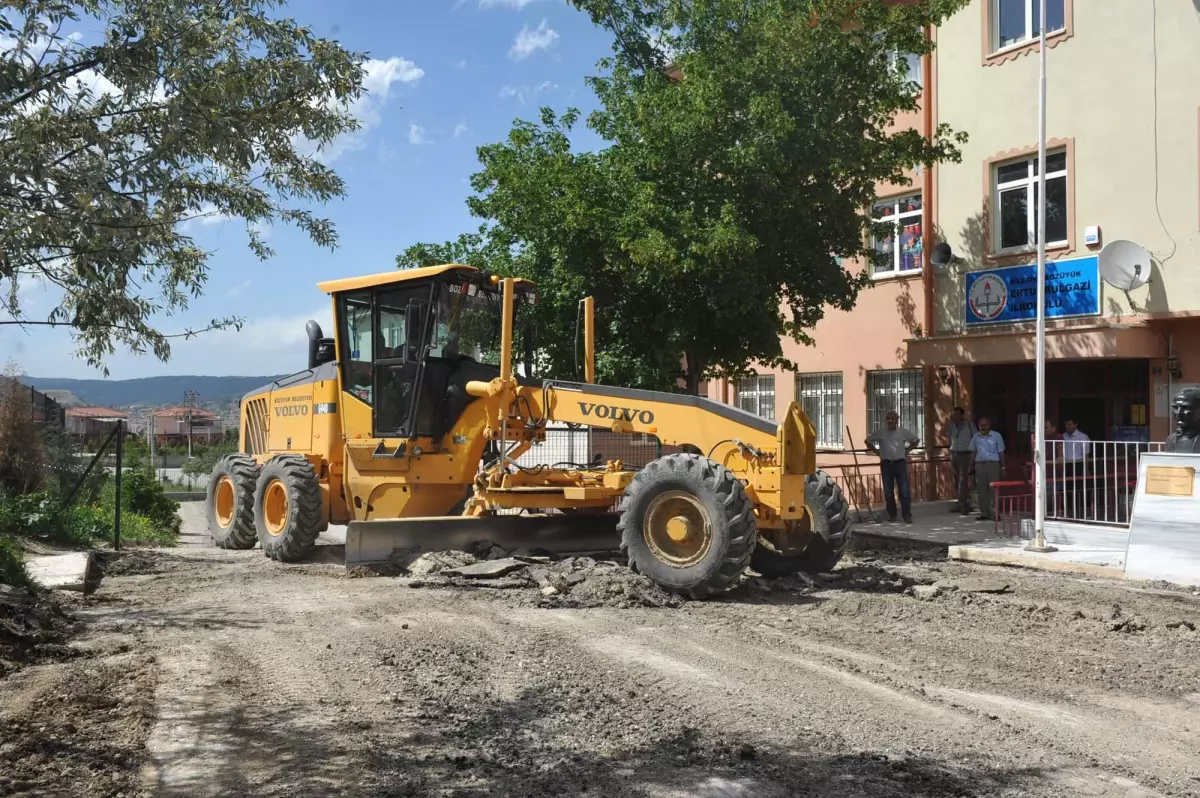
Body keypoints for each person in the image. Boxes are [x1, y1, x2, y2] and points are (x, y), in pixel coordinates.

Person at [866, 411, 920, 523]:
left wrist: (907, 451)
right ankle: (892, 515)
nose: (890, 421)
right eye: (888, 419)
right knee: (888, 492)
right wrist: (876, 452)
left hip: (900, 464)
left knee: (904, 491)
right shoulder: (881, 432)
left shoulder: (902, 432)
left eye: (892, 419)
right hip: (886, 465)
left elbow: (915, 440)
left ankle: (907, 515)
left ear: (897, 420)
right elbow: (867, 441)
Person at [969, 417, 1005, 521]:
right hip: (979, 465)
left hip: (993, 464)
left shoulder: (996, 436)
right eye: (980, 425)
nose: (982, 427)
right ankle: (984, 513)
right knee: (981, 490)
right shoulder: (976, 437)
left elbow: (1001, 452)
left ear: (989, 426)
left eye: (984, 425)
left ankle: (995, 513)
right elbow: (972, 452)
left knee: (993, 490)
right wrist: (970, 466)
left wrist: (1003, 467)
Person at [942, 407, 976, 515]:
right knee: (957, 480)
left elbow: (976, 439)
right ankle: (961, 503)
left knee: (963, 480)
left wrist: (973, 457)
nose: (955, 417)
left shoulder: (969, 425)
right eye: (953, 415)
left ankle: (963, 505)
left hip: (965, 454)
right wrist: (948, 422)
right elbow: (942, 434)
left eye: (957, 415)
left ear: (962, 415)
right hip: (954, 454)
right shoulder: (952, 426)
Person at [1062, 418, 1090, 518]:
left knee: (1080, 488)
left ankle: (1083, 511)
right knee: (1067, 489)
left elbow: (1086, 455)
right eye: (1066, 425)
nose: (1067, 427)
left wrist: (1086, 470)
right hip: (1067, 465)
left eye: (1069, 424)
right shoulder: (1063, 436)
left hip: (1079, 464)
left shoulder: (1083, 437)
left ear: (1076, 425)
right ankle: (1069, 512)